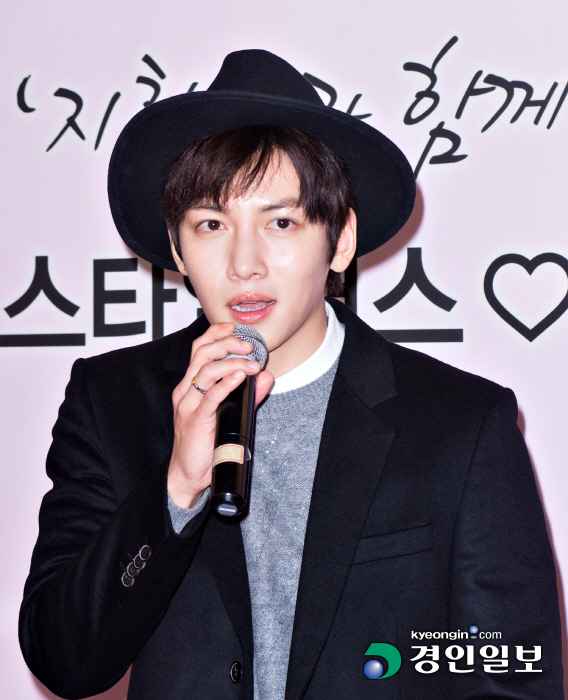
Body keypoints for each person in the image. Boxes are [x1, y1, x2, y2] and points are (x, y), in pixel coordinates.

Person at [19, 49, 563, 700]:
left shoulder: (460, 420)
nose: (244, 263)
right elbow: (63, 661)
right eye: (212, 224)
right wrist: (175, 489)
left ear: (339, 241)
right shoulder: (111, 401)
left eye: (280, 222)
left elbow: (510, 677)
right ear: (177, 249)